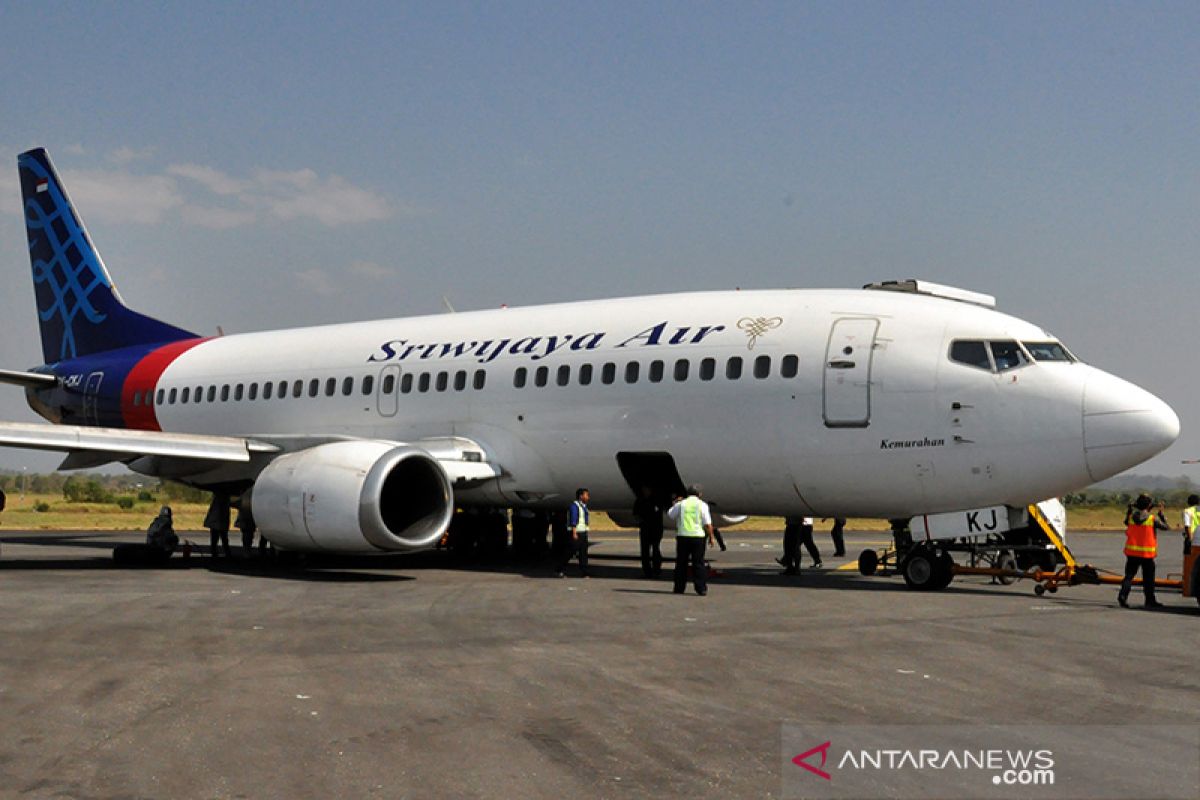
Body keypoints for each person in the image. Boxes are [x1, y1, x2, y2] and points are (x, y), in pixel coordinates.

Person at [1118, 494, 1168, 609]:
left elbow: (1126, 522)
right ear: (1149, 505)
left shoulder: (1131, 518)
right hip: (1147, 555)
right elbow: (1166, 527)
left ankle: (1122, 596)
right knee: (1148, 579)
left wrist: (1130, 509)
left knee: (1128, 577)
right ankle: (1149, 600)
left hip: (1132, 553)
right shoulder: (1152, 519)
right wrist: (1161, 514)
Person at [668, 485, 715, 595]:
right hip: (698, 537)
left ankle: (679, 588)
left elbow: (671, 515)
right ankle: (701, 588)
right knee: (698, 563)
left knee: (681, 563)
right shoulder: (702, 505)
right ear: (699, 494)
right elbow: (707, 523)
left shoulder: (681, 504)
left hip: (683, 537)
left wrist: (674, 503)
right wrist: (711, 537)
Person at [557, 488, 590, 577]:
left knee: (583, 553)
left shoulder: (583, 506)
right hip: (576, 532)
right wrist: (574, 533)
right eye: (586, 495)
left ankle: (585, 572)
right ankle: (559, 568)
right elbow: (573, 519)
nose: (588, 497)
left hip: (583, 532)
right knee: (570, 552)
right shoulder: (574, 506)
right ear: (581, 496)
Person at [633, 486, 664, 578]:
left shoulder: (656, 500)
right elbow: (635, 514)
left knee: (655, 549)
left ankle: (656, 569)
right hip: (645, 528)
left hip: (655, 528)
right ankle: (647, 571)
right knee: (645, 551)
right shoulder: (640, 501)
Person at [204, 492, 232, 559]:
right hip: (219, 522)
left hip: (216, 522)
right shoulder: (224, 500)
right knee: (223, 539)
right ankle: (226, 553)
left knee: (216, 540)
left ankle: (216, 553)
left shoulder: (217, 500)